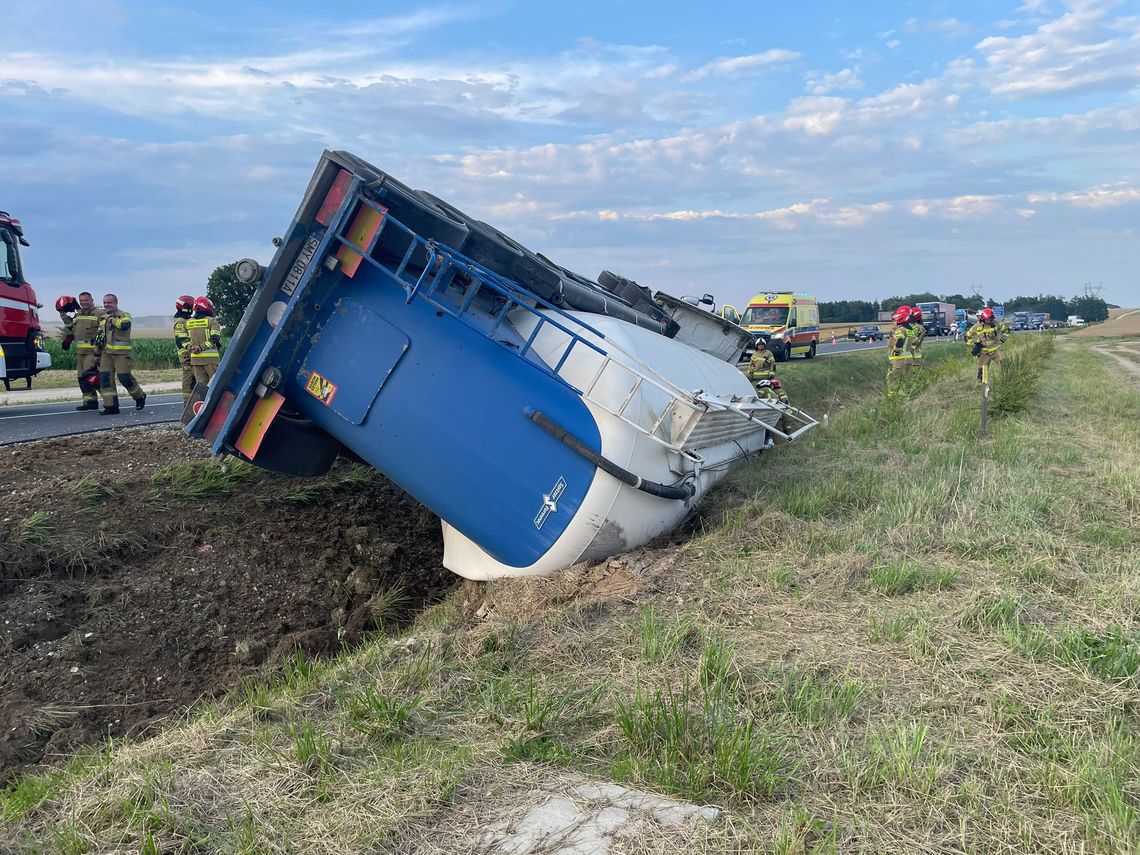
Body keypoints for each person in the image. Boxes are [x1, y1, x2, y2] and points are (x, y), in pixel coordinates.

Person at [96, 293, 147, 415]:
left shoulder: (125, 315)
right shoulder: (103, 318)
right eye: (104, 303)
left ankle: (139, 396)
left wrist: (110, 319)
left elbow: (124, 326)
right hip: (106, 354)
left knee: (124, 378)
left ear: (115, 303)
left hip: (121, 354)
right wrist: (96, 353)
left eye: (109, 303)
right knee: (105, 380)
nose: (106, 305)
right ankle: (111, 406)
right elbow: (100, 336)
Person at [57, 291, 104, 410]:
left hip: (92, 352)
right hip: (80, 353)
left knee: (92, 377)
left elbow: (103, 333)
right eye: (81, 301)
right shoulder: (79, 314)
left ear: (92, 300)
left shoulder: (99, 313)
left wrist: (99, 352)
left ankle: (110, 401)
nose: (84, 303)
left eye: (86, 300)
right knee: (82, 379)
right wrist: (63, 316)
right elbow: (72, 328)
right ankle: (89, 403)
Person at [186, 296, 222, 387]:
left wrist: (190, 348)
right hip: (211, 360)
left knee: (201, 387)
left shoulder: (188, 322)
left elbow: (182, 340)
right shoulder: (212, 321)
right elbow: (215, 337)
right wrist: (201, 347)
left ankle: (203, 402)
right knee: (216, 385)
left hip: (196, 360)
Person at [965, 307, 1009, 382]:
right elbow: (967, 337)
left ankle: (1005, 381)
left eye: (991, 319)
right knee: (983, 371)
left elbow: (1007, 331)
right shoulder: (976, 326)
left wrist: (1002, 340)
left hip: (996, 350)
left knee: (1004, 366)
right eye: (988, 319)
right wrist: (974, 345)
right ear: (983, 318)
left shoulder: (996, 323)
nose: (990, 321)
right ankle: (984, 386)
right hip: (984, 352)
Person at [173, 295, 196, 408]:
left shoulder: (185, 320)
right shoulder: (181, 321)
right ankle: (188, 406)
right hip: (187, 358)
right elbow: (180, 340)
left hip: (189, 357)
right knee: (189, 383)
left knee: (193, 382)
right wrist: (188, 354)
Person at [886, 305, 916, 391]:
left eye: (894, 320)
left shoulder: (900, 330)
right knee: (905, 381)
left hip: (899, 359)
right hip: (908, 358)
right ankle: (906, 396)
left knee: (893, 380)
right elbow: (913, 343)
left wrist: (896, 351)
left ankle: (892, 397)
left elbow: (899, 340)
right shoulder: (910, 330)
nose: (893, 322)